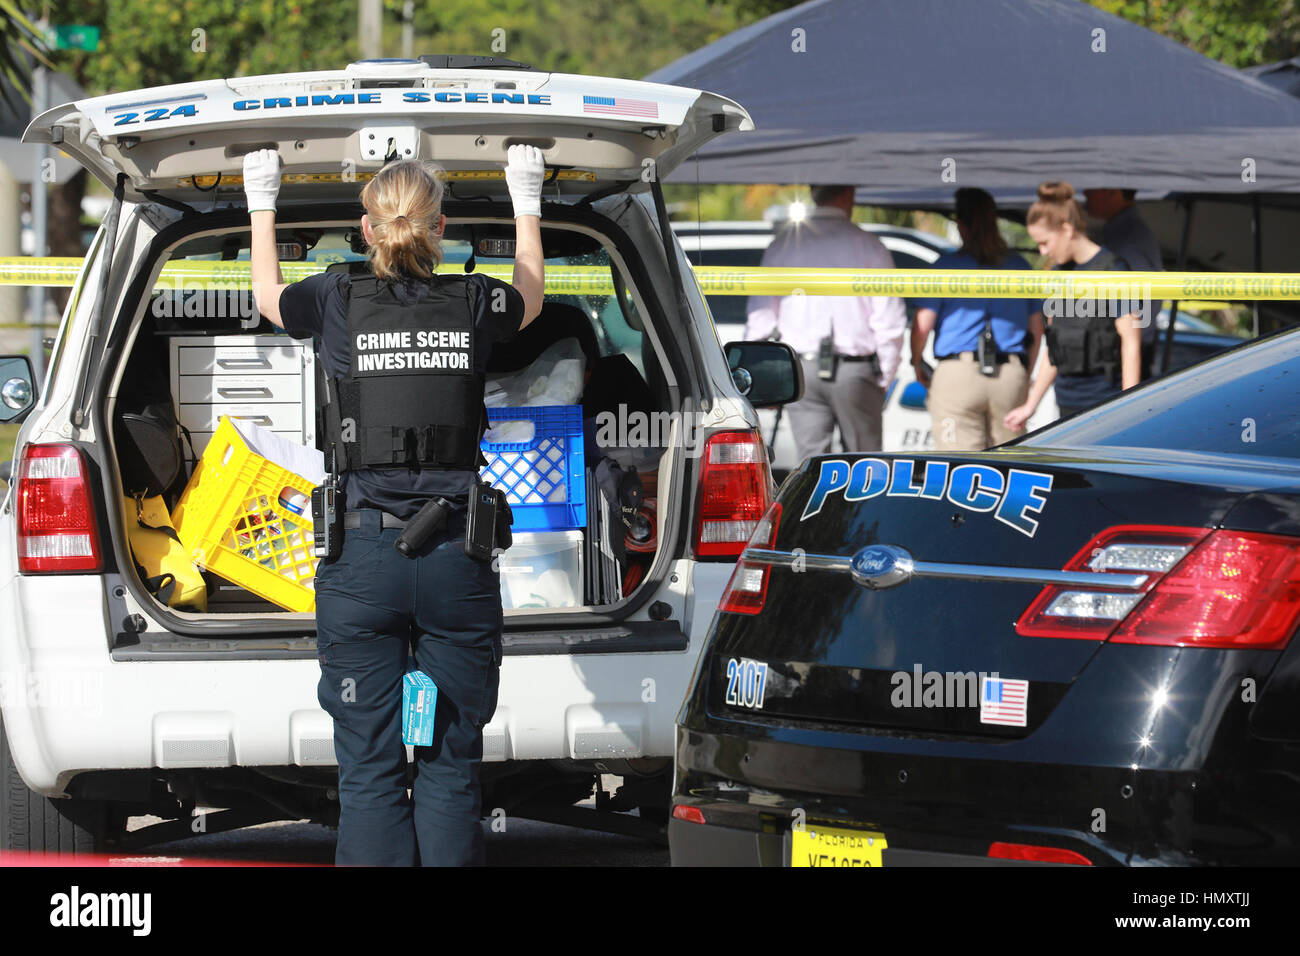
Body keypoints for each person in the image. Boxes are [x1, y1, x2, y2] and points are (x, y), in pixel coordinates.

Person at [242, 143, 546, 865]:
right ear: (440, 230)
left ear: (367, 229)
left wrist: (263, 199)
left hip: (362, 563)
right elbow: (529, 297)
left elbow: (265, 297)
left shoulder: (334, 296)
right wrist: (525, 196)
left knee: (371, 772)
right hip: (456, 564)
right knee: (448, 768)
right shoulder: (474, 301)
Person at [744, 185, 907, 458]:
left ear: (812, 194)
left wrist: (763, 375)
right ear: (849, 195)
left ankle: (820, 503)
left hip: (801, 370)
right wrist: (884, 373)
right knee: (866, 465)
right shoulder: (869, 245)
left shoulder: (784, 243)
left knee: (811, 466)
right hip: (854, 371)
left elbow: (760, 314)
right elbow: (888, 317)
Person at [911, 188, 1043, 450]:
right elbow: (1037, 330)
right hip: (1009, 373)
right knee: (1011, 469)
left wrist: (916, 362)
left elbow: (922, 326)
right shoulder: (1019, 266)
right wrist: (1024, 374)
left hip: (957, 373)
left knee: (959, 471)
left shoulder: (944, 267)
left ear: (960, 224)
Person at [1005, 181, 1142, 428]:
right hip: (1066, 403)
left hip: (1106, 402)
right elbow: (1054, 347)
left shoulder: (1113, 270)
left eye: (1045, 242)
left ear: (1066, 229)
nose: (1042, 251)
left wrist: (1127, 406)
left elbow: (1131, 342)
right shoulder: (1057, 275)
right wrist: (1030, 405)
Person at [1084, 188, 1164, 378]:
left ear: (1113, 192)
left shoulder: (1127, 237)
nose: (1086, 194)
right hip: (1126, 351)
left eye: (1093, 190)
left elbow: (1134, 309)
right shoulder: (1125, 232)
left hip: (1124, 354)